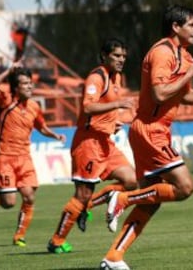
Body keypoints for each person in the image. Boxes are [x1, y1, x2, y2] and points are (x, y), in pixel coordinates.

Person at [99, 5, 193, 270]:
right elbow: (160, 94)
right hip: (151, 130)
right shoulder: (162, 53)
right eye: (192, 25)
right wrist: (192, 74)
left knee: (152, 202)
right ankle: (122, 198)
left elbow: (183, 95)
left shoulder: (184, 55)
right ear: (176, 26)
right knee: (185, 187)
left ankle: (113, 257)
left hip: (155, 130)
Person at [46, 38, 137, 254]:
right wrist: (117, 105)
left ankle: (89, 206)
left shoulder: (117, 77)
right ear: (104, 56)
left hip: (105, 141)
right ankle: (56, 241)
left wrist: (113, 121)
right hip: (88, 143)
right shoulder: (97, 77)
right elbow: (87, 107)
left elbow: (104, 108)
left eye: (123, 56)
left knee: (132, 180)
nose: (121, 60)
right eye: (116, 55)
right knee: (82, 194)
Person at [0, 61, 66, 247]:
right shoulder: (6, 100)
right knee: (9, 203)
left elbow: (41, 127)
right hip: (5, 158)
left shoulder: (34, 106)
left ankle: (19, 236)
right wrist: (8, 71)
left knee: (29, 196)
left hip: (25, 158)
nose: (29, 86)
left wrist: (54, 135)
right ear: (15, 87)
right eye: (24, 83)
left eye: (30, 83)